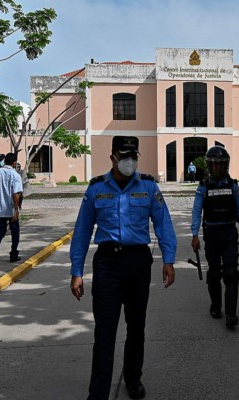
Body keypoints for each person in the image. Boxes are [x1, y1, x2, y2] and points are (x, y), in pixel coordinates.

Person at [70, 136, 177, 400]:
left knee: (136, 327)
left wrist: (168, 259)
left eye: (133, 156)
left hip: (138, 263)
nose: (130, 161)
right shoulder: (96, 189)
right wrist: (76, 271)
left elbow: (163, 224)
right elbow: (82, 232)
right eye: (124, 155)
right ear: (113, 157)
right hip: (107, 264)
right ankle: (98, 392)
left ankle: (133, 378)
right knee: (104, 331)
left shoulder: (149, 187)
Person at [191, 146, 239, 328]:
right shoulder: (203, 187)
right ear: (209, 166)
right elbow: (196, 211)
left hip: (229, 234)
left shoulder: (233, 185)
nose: (217, 169)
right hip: (212, 234)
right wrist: (194, 234)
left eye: (220, 165)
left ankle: (231, 315)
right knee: (214, 273)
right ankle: (216, 306)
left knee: (231, 273)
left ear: (226, 166)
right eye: (214, 165)